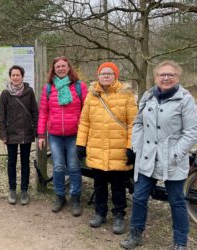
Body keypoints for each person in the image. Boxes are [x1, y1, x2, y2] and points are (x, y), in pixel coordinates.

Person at [121, 61, 197, 250]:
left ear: (177, 78)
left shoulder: (186, 100)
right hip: (147, 156)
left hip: (172, 158)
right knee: (139, 197)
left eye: (170, 75)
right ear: (156, 77)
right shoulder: (148, 96)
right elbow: (138, 123)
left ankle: (180, 242)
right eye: (162, 74)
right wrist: (137, 146)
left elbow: (192, 132)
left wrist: (175, 154)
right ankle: (135, 234)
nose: (166, 78)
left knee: (177, 201)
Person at [76, 62, 137, 234]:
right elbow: (85, 122)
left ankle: (119, 215)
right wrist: (81, 143)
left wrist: (130, 147)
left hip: (118, 150)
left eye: (110, 73)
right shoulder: (92, 95)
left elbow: (134, 124)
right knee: (99, 185)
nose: (106, 76)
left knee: (118, 186)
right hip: (97, 148)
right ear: (98, 76)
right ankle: (100, 212)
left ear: (115, 75)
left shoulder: (126, 95)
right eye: (103, 73)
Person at [37, 56, 87, 216]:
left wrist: (87, 134)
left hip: (75, 134)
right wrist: (41, 135)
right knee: (58, 167)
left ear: (69, 67)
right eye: (57, 66)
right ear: (53, 69)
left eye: (63, 66)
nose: (60, 69)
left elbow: (87, 112)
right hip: (55, 135)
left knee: (73, 166)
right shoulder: (48, 88)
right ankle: (60, 196)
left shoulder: (79, 87)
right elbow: (43, 112)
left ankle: (75, 197)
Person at [0, 65, 38, 205]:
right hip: (11, 134)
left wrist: (37, 130)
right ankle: (12, 190)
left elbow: (35, 112)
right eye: (13, 75)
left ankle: (25, 191)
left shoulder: (29, 92)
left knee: (25, 163)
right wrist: (3, 134)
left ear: (22, 76)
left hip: (26, 133)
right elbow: (1, 116)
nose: (15, 77)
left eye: (18, 75)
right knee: (11, 163)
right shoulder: (5, 94)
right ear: (10, 77)